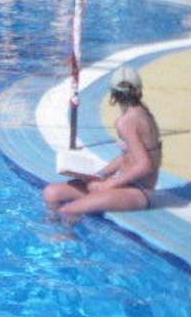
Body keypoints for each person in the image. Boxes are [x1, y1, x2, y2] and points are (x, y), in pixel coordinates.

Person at [43, 66, 161, 216]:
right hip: (122, 182)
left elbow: (145, 165)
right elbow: (129, 155)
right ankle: (61, 226)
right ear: (138, 90)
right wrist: (101, 174)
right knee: (51, 193)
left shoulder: (127, 122)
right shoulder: (143, 113)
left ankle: (63, 229)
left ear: (113, 94)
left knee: (68, 210)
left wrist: (108, 184)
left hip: (138, 190)